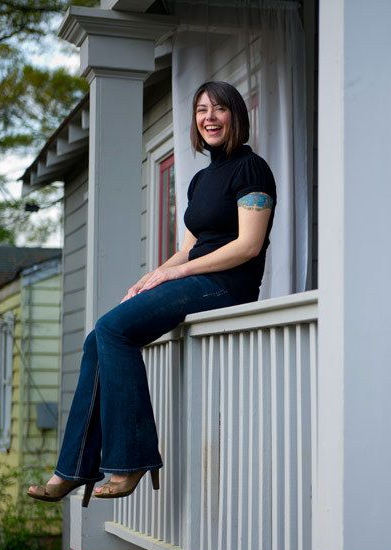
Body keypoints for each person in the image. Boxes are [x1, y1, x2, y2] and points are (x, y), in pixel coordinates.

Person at [28, 81, 276, 506]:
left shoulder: (250, 170)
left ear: (236, 116)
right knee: (97, 337)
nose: (209, 118)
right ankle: (71, 469)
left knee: (113, 330)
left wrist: (174, 277)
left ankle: (130, 461)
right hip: (197, 281)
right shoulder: (200, 181)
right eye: (201, 110)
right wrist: (152, 276)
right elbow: (187, 249)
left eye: (219, 109)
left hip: (228, 286)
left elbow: (247, 246)